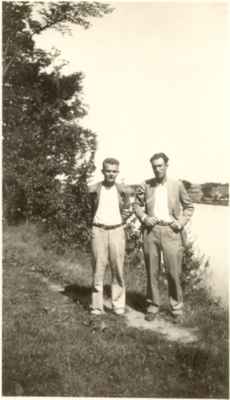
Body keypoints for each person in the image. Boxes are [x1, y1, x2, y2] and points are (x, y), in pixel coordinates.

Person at [134, 152, 194, 322]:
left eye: (160, 166)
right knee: (152, 271)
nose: (157, 169)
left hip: (171, 232)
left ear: (167, 165)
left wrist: (180, 222)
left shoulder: (177, 185)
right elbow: (137, 205)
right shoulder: (145, 185)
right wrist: (145, 218)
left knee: (173, 272)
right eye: (154, 166)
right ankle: (153, 305)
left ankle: (176, 309)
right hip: (150, 231)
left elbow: (189, 207)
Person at [88, 158, 131, 316]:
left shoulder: (122, 190)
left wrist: (120, 222)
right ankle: (96, 307)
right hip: (98, 231)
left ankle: (118, 305)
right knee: (98, 269)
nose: (111, 174)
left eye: (114, 171)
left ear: (117, 172)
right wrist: (93, 225)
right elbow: (88, 209)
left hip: (117, 231)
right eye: (108, 171)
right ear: (103, 171)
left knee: (118, 268)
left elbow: (127, 209)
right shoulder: (93, 190)